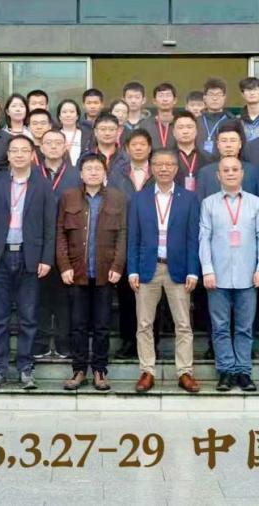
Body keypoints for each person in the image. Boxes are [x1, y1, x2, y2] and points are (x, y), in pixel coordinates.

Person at [0, 135, 57, 391]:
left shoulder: (42, 184)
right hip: (0, 256)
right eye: (15, 150)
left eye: (24, 150)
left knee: (28, 317)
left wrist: (46, 258)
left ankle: (25, 368)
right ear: (8, 155)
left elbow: (50, 224)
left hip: (29, 256)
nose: (19, 154)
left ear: (33, 154)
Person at [127, 149, 201, 394]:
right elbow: (133, 238)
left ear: (176, 169)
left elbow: (193, 238)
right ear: (152, 168)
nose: (164, 168)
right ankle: (147, 371)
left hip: (178, 268)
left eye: (169, 164)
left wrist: (193, 271)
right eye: (158, 164)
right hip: (147, 268)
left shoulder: (189, 198)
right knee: (144, 323)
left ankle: (185, 372)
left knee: (183, 324)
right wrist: (132, 270)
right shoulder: (140, 198)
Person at [57, 153, 127, 391]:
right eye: (89, 168)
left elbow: (123, 234)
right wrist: (64, 265)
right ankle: (78, 370)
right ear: (81, 173)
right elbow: (60, 233)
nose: (93, 172)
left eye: (98, 168)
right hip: (77, 272)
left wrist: (118, 265)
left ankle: (99, 370)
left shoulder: (117, 198)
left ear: (105, 172)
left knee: (102, 326)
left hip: (105, 272)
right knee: (77, 325)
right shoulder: (68, 197)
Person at [199, 156, 259, 392]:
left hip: (248, 276)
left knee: (244, 328)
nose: (230, 173)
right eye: (226, 170)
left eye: (235, 169)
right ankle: (226, 371)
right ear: (218, 175)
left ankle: (243, 372)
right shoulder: (209, 203)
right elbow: (204, 239)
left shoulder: (255, 203)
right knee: (220, 327)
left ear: (242, 173)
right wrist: (207, 269)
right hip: (217, 277)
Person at [32, 129, 80, 360]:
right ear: (41, 147)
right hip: (37, 242)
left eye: (57, 143)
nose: (53, 147)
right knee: (39, 296)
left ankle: (63, 342)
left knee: (64, 297)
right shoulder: (32, 173)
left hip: (67, 244)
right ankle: (40, 342)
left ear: (65, 147)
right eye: (48, 143)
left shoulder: (76, 175)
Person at [110, 127, 154, 359]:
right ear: (126, 149)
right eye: (133, 145)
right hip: (125, 238)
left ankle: (153, 342)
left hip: (153, 239)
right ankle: (128, 341)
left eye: (142, 144)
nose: (138, 148)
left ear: (149, 148)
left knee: (153, 294)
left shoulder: (158, 171)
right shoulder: (117, 174)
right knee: (127, 295)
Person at [196, 121, 259, 201]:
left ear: (240, 144)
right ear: (218, 144)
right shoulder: (205, 173)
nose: (228, 145)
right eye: (224, 141)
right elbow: (200, 203)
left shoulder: (252, 171)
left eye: (233, 140)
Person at [173, 109, 214, 193]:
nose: (185, 131)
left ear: (196, 131)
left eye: (189, 127)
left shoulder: (208, 158)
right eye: (180, 127)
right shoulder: (167, 157)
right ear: (173, 132)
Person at [197, 77, 233, 156]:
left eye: (219, 94)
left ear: (224, 98)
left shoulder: (233, 122)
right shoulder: (196, 122)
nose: (215, 98)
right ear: (204, 98)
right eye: (211, 94)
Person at [91, 114, 129, 184]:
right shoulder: (85, 157)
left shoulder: (127, 158)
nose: (107, 133)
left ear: (118, 132)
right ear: (95, 132)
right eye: (103, 129)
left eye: (111, 129)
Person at [57, 99, 92, 167]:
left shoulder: (88, 134)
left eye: (72, 112)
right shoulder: (53, 135)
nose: (68, 115)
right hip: (59, 171)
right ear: (59, 116)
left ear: (77, 116)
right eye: (64, 112)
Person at [149, 82, 178, 149]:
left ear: (175, 100)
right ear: (154, 101)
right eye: (161, 96)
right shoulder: (145, 125)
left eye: (168, 95)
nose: (165, 99)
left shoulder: (181, 124)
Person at [238, 76, 259, 142]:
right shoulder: (237, 120)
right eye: (248, 90)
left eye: (255, 89)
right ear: (242, 94)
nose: (252, 93)